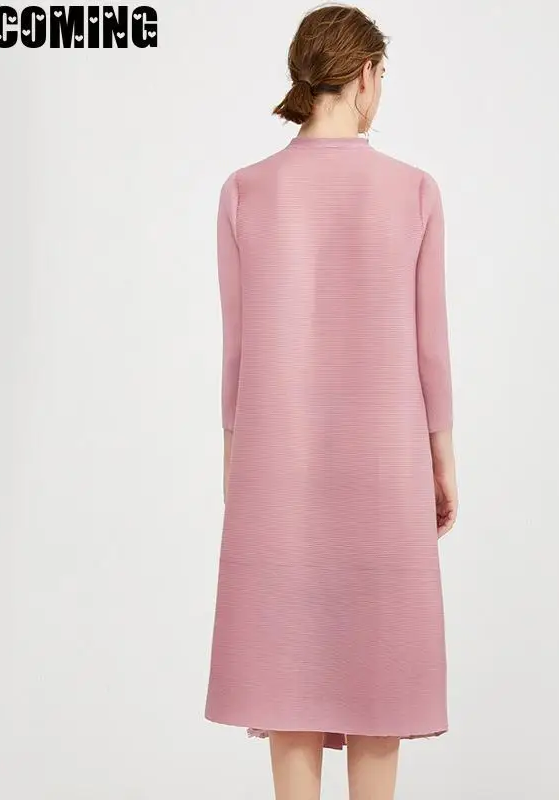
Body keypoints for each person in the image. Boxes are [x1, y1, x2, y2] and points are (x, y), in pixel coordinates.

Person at [204, 5, 457, 799]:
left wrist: (235, 466)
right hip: (385, 471)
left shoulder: (245, 191)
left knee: (289, 679)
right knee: (381, 682)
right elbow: (430, 347)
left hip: (276, 470)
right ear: (366, 76)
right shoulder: (413, 191)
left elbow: (237, 353)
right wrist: (442, 460)